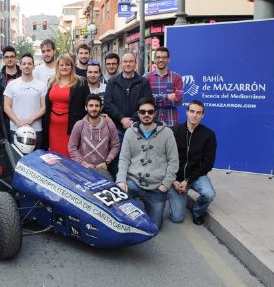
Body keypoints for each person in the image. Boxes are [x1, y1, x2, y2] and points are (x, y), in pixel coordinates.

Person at [116, 97, 179, 229]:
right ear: (138, 114)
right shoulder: (130, 132)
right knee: (119, 217)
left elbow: (173, 161)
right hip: (134, 183)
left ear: (155, 113)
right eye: (143, 112)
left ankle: (146, 207)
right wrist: (121, 180)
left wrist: (165, 184)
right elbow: (124, 158)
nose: (146, 115)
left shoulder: (167, 133)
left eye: (150, 112)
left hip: (156, 187)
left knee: (154, 227)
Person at [168, 100, 217, 225]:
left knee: (209, 194)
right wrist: (173, 180)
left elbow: (208, 164)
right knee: (177, 218)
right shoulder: (173, 131)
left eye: (198, 113)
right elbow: (164, 158)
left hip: (196, 176)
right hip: (175, 178)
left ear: (203, 115)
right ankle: (173, 195)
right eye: (192, 111)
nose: (194, 115)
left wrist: (187, 180)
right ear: (187, 112)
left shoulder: (209, 135)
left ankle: (197, 212)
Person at [42, 54, 90, 157]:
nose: (64, 67)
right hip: (53, 127)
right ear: (57, 67)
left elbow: (89, 103)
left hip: (71, 128)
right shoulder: (51, 81)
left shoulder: (81, 82)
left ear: (72, 67)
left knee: (69, 156)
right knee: (55, 157)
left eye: (67, 65)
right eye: (61, 65)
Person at [104, 52, 153, 142]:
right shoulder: (112, 82)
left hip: (139, 128)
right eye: (125, 61)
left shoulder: (143, 82)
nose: (128, 64)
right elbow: (108, 103)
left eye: (131, 61)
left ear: (135, 64)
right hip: (116, 128)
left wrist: (132, 120)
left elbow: (148, 103)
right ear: (121, 64)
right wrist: (121, 118)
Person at [68, 94, 120, 173]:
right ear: (86, 107)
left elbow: (116, 145)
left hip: (102, 169)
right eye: (91, 105)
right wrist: (83, 163)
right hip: (83, 168)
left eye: (97, 106)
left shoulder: (109, 123)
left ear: (101, 108)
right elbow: (72, 147)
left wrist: (107, 162)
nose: (94, 109)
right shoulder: (80, 124)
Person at [3, 53, 47, 147]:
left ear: (34, 66)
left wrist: (30, 120)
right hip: (16, 129)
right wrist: (18, 122)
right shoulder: (11, 85)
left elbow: (44, 107)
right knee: (16, 156)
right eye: (24, 64)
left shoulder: (42, 85)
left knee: (35, 157)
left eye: (29, 64)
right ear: (20, 66)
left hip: (35, 130)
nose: (27, 66)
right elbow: (6, 107)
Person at [144, 47, 184, 126]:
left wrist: (154, 100)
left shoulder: (177, 77)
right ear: (154, 59)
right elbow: (145, 100)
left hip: (171, 122)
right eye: (158, 57)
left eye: (164, 57)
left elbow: (179, 101)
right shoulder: (146, 77)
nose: (161, 60)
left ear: (168, 59)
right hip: (151, 123)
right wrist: (167, 97)